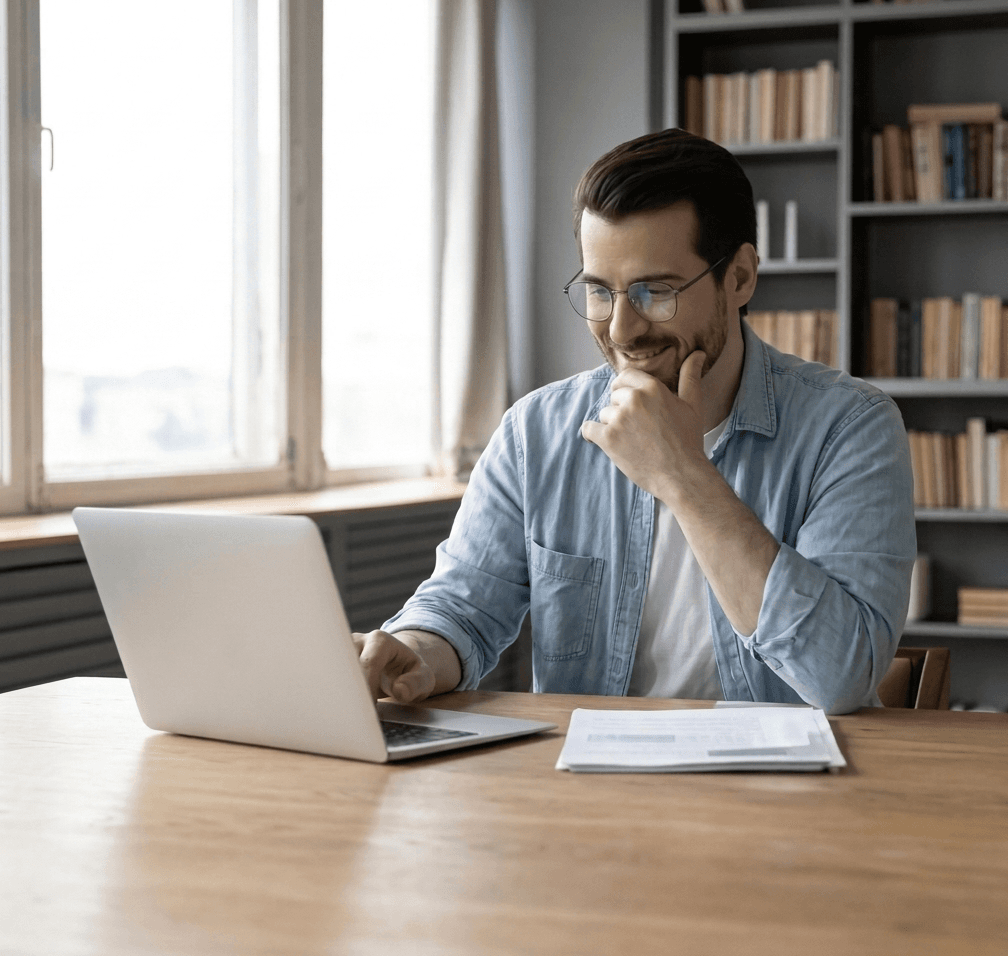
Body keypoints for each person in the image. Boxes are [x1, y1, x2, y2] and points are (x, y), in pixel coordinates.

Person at [354, 128, 916, 714]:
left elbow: (841, 677)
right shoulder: (536, 433)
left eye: (656, 291)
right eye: (601, 292)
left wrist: (682, 473)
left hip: (782, 792)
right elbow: (462, 609)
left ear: (741, 277)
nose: (621, 329)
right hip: (592, 790)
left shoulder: (850, 429)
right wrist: (414, 651)